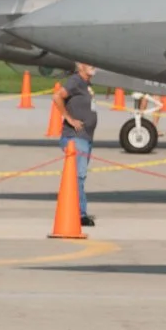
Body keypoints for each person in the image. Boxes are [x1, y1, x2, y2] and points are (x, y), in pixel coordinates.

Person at [59, 63, 97, 226]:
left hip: (85, 137)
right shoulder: (75, 81)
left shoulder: (86, 84)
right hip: (75, 137)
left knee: (80, 176)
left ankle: (77, 210)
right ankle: (80, 214)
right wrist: (68, 118)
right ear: (80, 66)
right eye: (88, 64)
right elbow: (58, 96)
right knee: (78, 176)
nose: (93, 66)